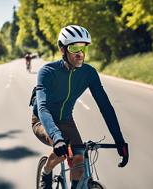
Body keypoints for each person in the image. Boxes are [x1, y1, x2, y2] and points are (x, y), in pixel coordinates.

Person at [31, 25, 129, 189]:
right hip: (43, 121)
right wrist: (56, 137)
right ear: (63, 49)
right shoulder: (47, 72)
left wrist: (119, 141)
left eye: (83, 48)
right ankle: (46, 171)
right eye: (74, 48)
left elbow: (105, 107)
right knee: (63, 150)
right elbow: (43, 108)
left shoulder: (89, 73)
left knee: (79, 159)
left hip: (66, 120)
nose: (80, 53)